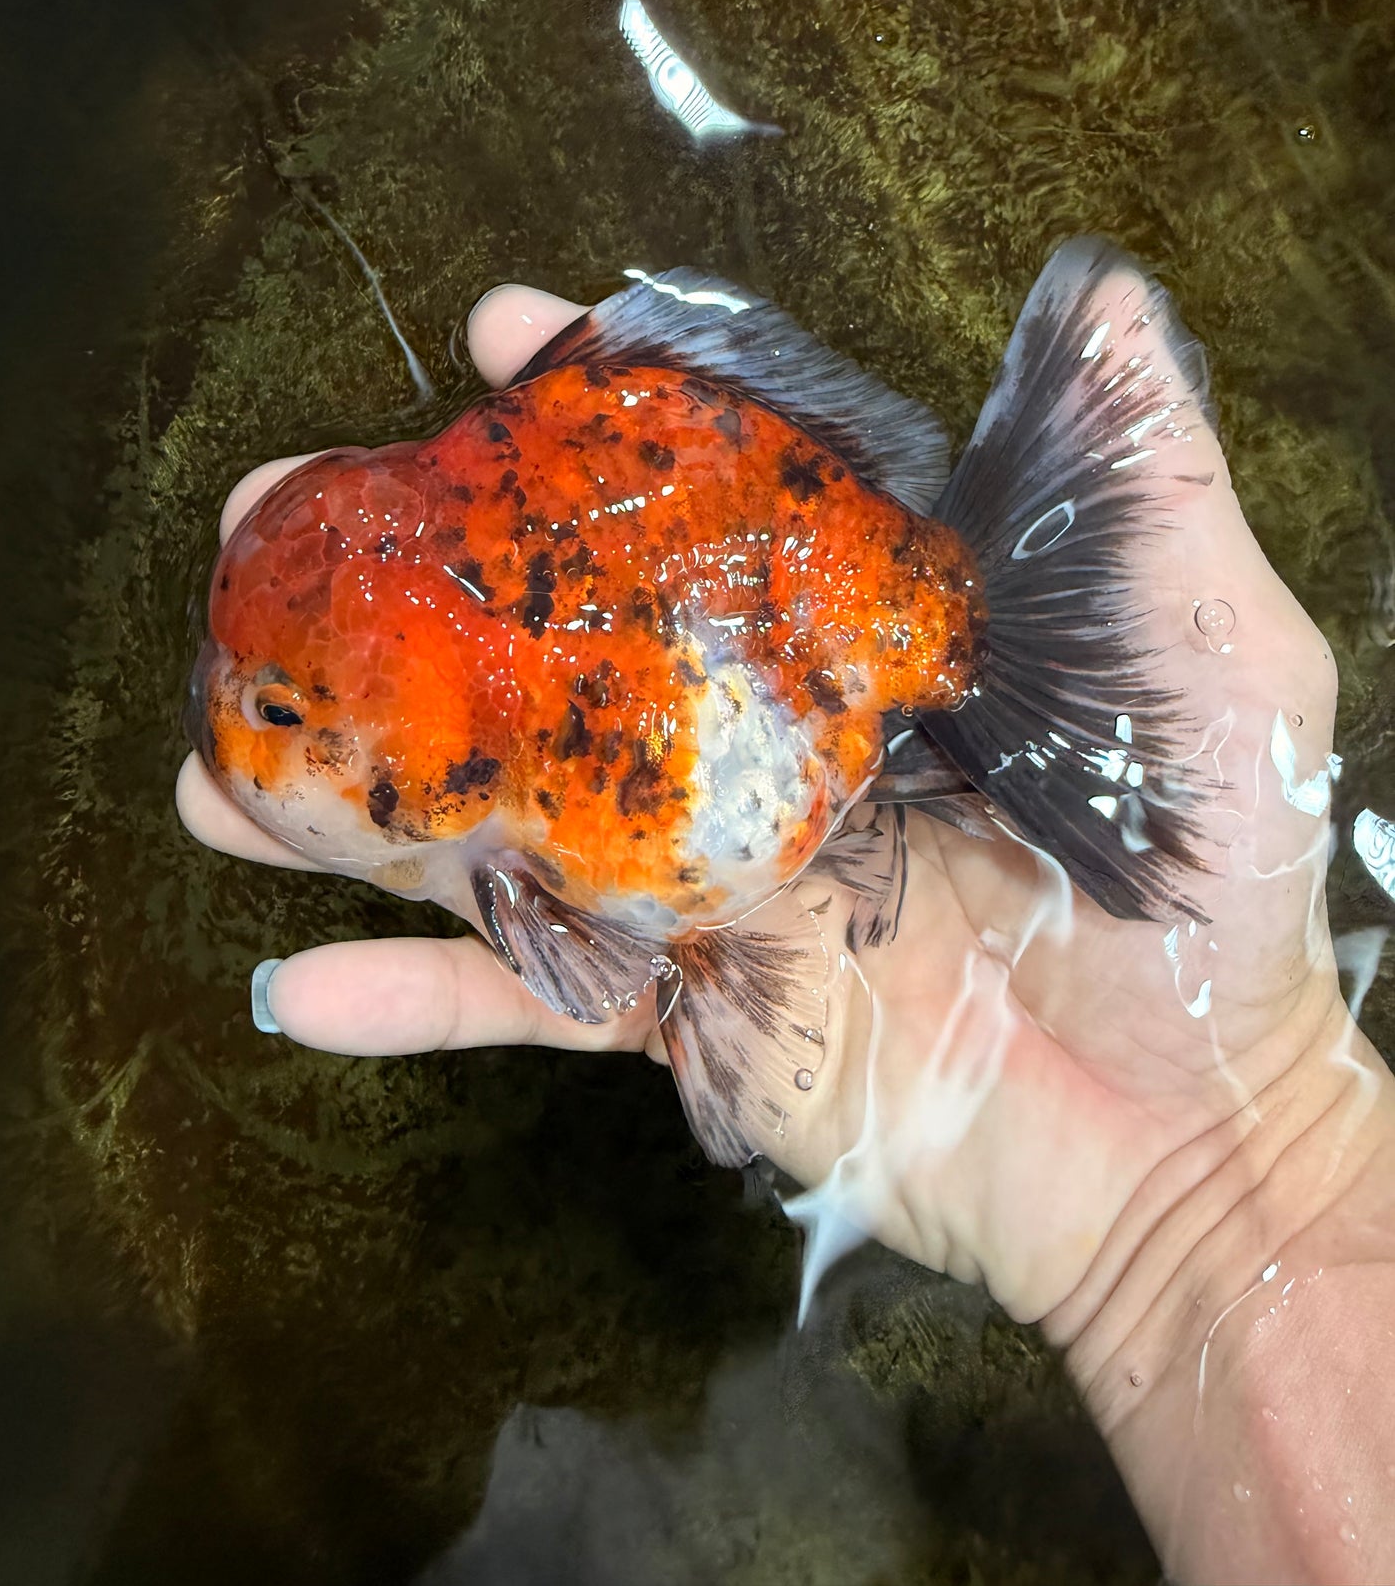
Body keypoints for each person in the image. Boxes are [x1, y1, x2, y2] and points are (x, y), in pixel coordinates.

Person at [178, 280, 1395, 1586]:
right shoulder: (481, 766)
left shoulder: (520, 788)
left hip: (786, 650)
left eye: (281, 708)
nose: (228, 709)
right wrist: (1249, 1164)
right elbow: (592, 951)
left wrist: (1242, 1160)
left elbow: (589, 956)